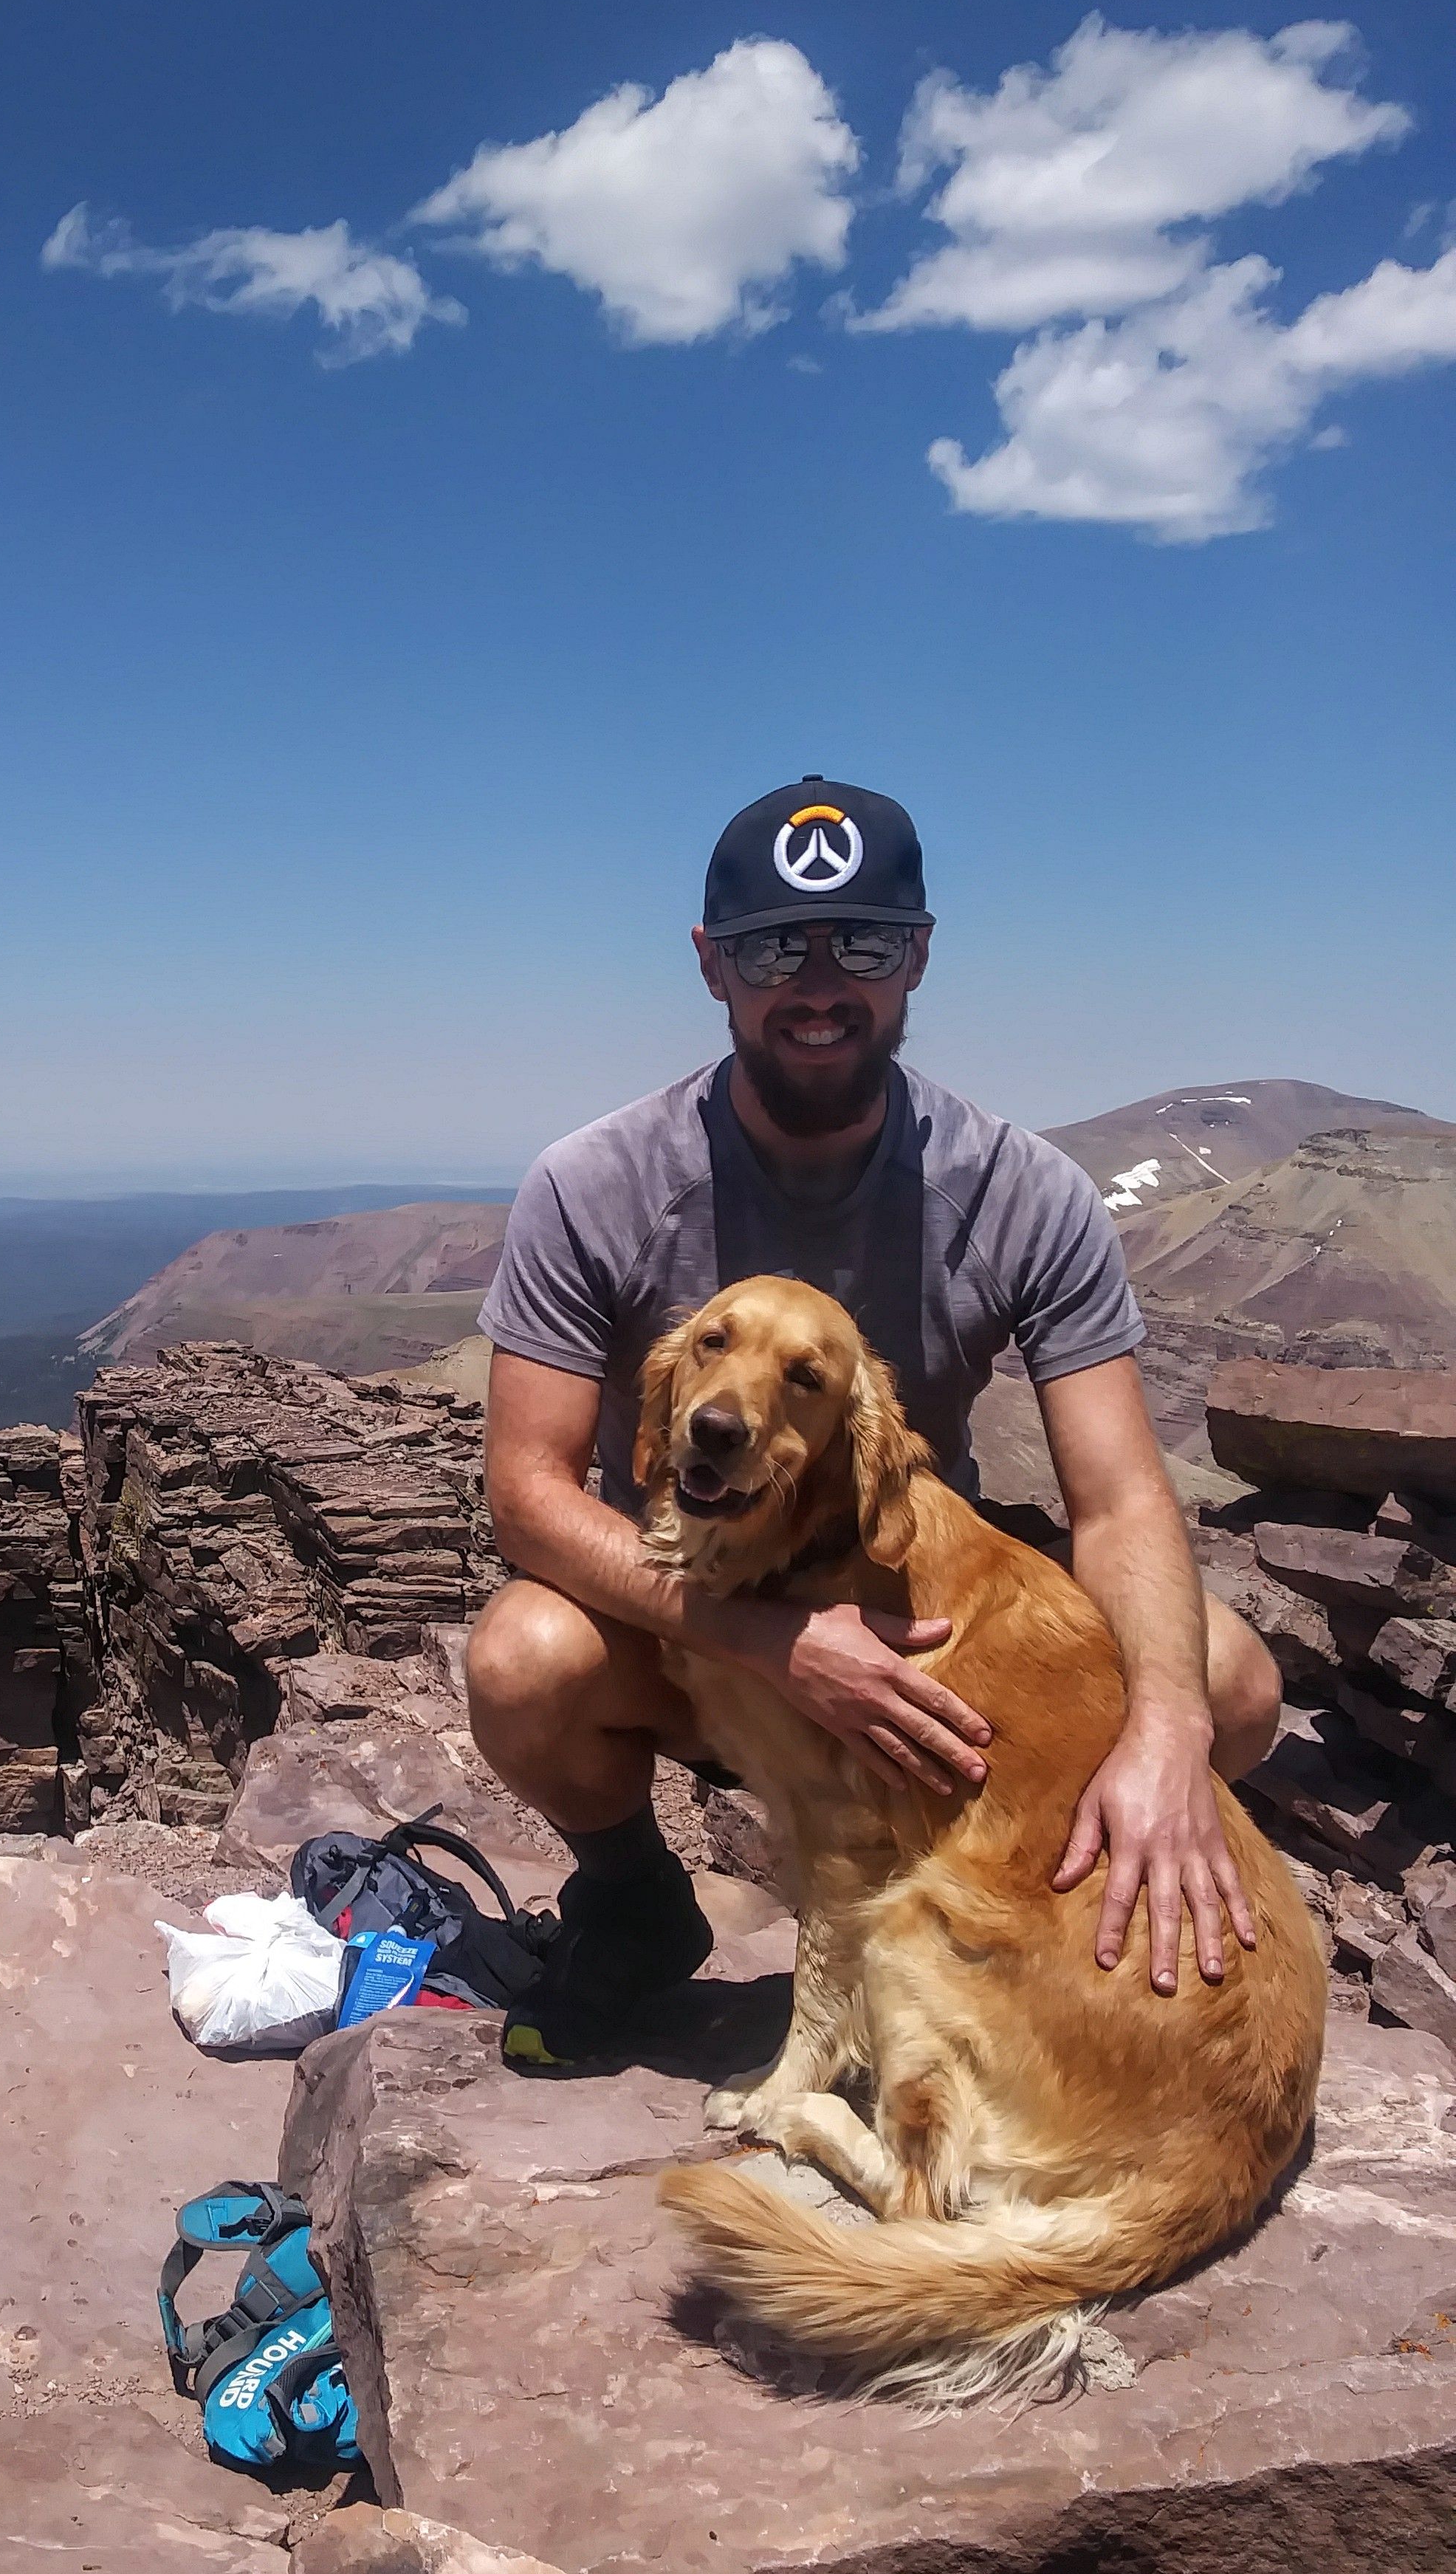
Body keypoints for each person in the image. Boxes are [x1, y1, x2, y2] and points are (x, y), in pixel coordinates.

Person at [468, 774, 1281, 2068]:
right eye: (774, 947)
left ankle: (1016, 1925)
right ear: (711, 967)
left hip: (922, 1627)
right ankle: (631, 1902)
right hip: (694, 1618)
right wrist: (776, 1642)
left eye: (864, 943)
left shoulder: (1023, 1192)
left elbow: (1120, 1501)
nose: (820, 983)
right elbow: (527, 1494)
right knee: (522, 1659)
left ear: (917, 960)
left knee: (1226, 1681)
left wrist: (1171, 1739)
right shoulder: (597, 1186)